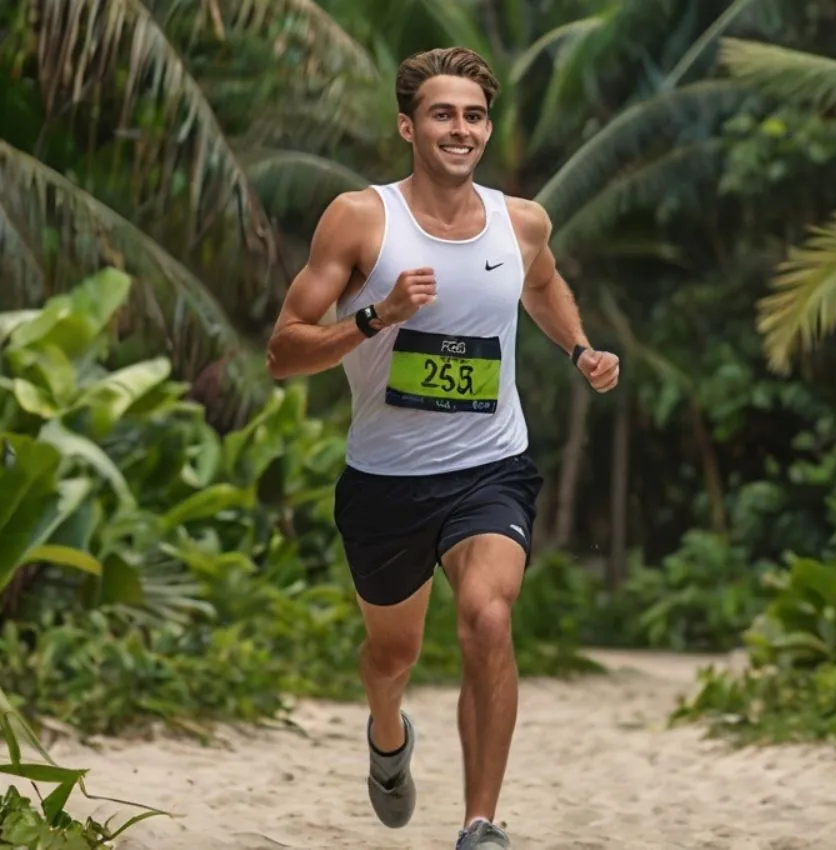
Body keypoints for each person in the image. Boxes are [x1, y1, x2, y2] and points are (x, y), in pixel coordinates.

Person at [263, 45, 620, 850]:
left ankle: (481, 824)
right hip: (385, 482)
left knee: (488, 618)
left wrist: (579, 350)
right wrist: (375, 318)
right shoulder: (360, 220)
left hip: (490, 467)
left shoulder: (520, 222)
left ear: (486, 128)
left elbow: (541, 283)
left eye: (474, 115)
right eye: (442, 114)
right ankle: (387, 734)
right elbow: (282, 352)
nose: (461, 129)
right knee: (392, 657)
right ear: (408, 125)